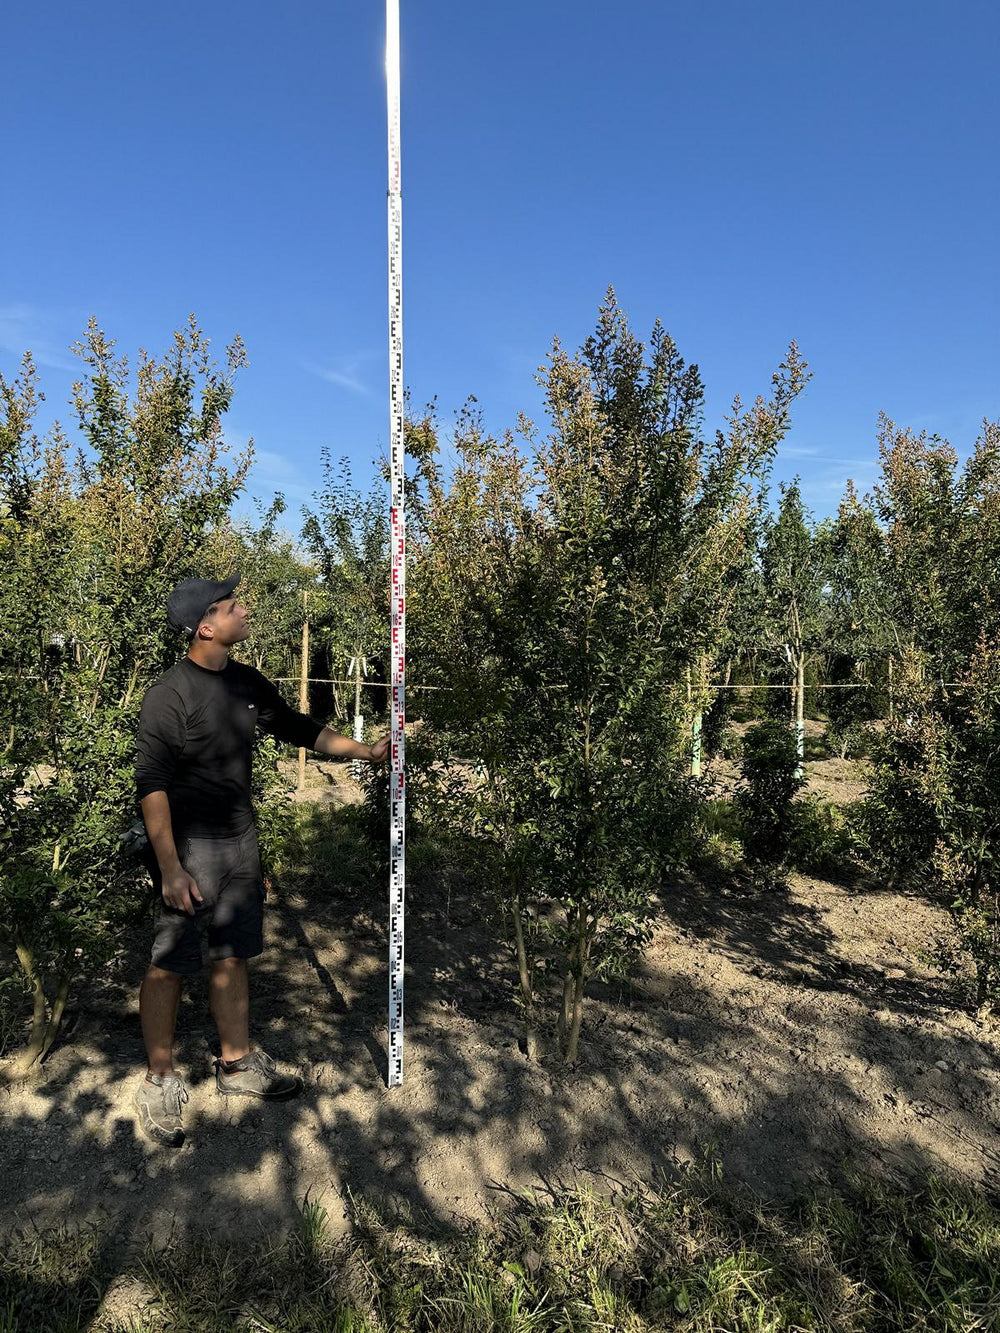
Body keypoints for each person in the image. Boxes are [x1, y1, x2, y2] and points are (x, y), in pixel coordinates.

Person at [132, 573, 388, 1147]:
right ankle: (159, 1079)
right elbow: (151, 785)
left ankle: (235, 1063)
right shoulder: (169, 695)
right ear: (205, 626)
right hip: (189, 846)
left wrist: (366, 752)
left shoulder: (247, 682)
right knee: (170, 962)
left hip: (240, 841)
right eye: (231, 606)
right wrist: (170, 867)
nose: (244, 610)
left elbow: (300, 729)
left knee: (233, 953)